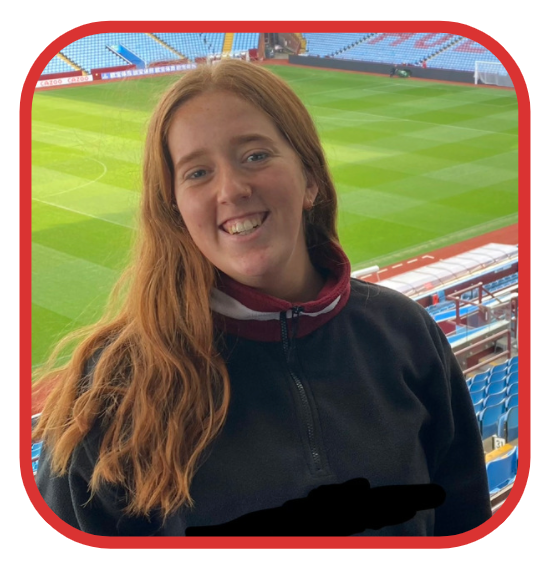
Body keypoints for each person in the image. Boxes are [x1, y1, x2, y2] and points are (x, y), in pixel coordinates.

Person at [33, 59, 491, 537]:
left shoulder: (405, 332)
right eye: (197, 172)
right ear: (176, 209)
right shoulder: (110, 389)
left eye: (255, 156)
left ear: (310, 178)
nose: (231, 189)